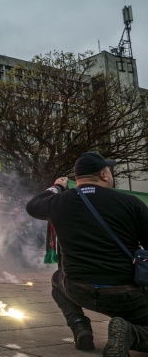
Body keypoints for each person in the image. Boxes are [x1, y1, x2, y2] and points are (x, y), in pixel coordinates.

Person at [26, 151, 148, 356]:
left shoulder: (59, 202)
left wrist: (57, 187)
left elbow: (32, 206)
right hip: (126, 294)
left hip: (78, 288)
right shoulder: (130, 202)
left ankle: (80, 327)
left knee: (57, 279)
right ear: (103, 175)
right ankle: (130, 333)